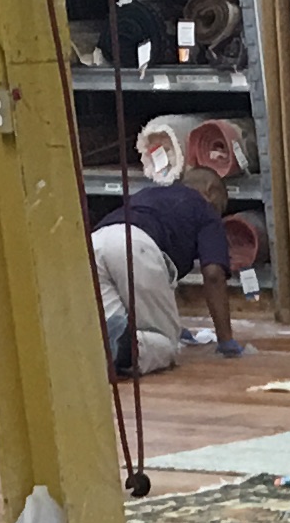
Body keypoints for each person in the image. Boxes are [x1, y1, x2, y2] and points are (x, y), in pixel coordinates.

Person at [91, 158, 248, 375]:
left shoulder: (149, 194)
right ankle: (126, 350)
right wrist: (225, 340)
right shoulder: (205, 208)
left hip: (95, 243)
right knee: (165, 344)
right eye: (221, 206)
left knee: (110, 326)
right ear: (211, 192)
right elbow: (213, 275)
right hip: (137, 246)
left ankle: (99, 350)